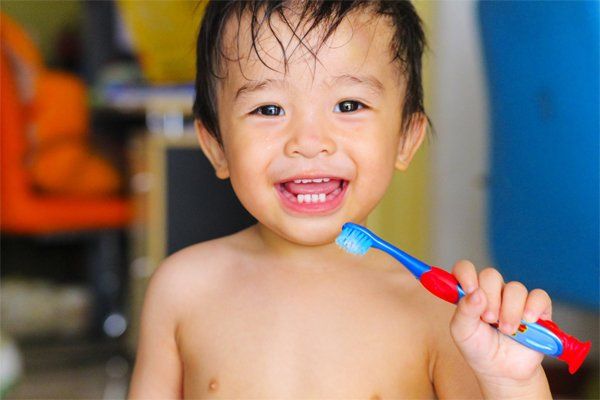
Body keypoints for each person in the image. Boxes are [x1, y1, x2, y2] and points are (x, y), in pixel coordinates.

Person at [129, 1, 553, 398]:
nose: (309, 143)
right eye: (269, 109)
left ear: (406, 138)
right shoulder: (183, 290)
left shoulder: (439, 311)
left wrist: (512, 382)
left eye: (349, 104)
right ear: (217, 145)